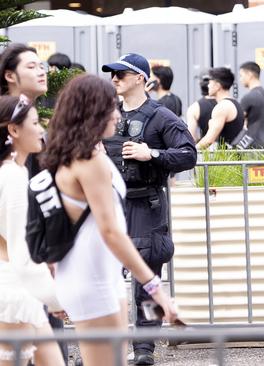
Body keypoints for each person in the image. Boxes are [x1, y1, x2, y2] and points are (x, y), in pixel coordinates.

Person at [40, 74, 178, 366]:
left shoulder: (85, 154)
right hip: (91, 279)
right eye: (109, 107)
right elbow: (111, 232)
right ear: (91, 112)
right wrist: (155, 287)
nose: (116, 114)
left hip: (101, 277)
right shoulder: (86, 159)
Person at [101, 53, 196, 365]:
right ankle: (105, 349)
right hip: (111, 205)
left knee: (150, 279)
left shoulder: (161, 116)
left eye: (122, 74)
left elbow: (187, 154)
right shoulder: (107, 114)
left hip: (147, 205)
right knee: (105, 279)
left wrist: (151, 153)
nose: (115, 78)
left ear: (140, 78)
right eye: (112, 74)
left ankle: (145, 348)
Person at [0, 43, 70, 363]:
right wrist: (56, 297)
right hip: (17, 282)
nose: (41, 71)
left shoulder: (14, 169)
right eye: (31, 66)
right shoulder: (12, 175)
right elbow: (18, 246)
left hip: (29, 276)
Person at [195, 67, 245, 150]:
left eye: (210, 82)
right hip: (235, 158)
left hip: (227, 160)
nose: (208, 85)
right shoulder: (235, 103)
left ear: (218, 86)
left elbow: (209, 140)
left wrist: (190, 152)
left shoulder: (222, 107)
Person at [239, 61, 264, 148]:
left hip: (251, 144)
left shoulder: (249, 97)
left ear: (249, 74)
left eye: (241, 75)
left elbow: (238, 121)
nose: (240, 79)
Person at [186, 74, 216, 141]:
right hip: (229, 150)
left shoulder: (194, 108)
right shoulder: (225, 103)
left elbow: (192, 137)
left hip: (205, 149)